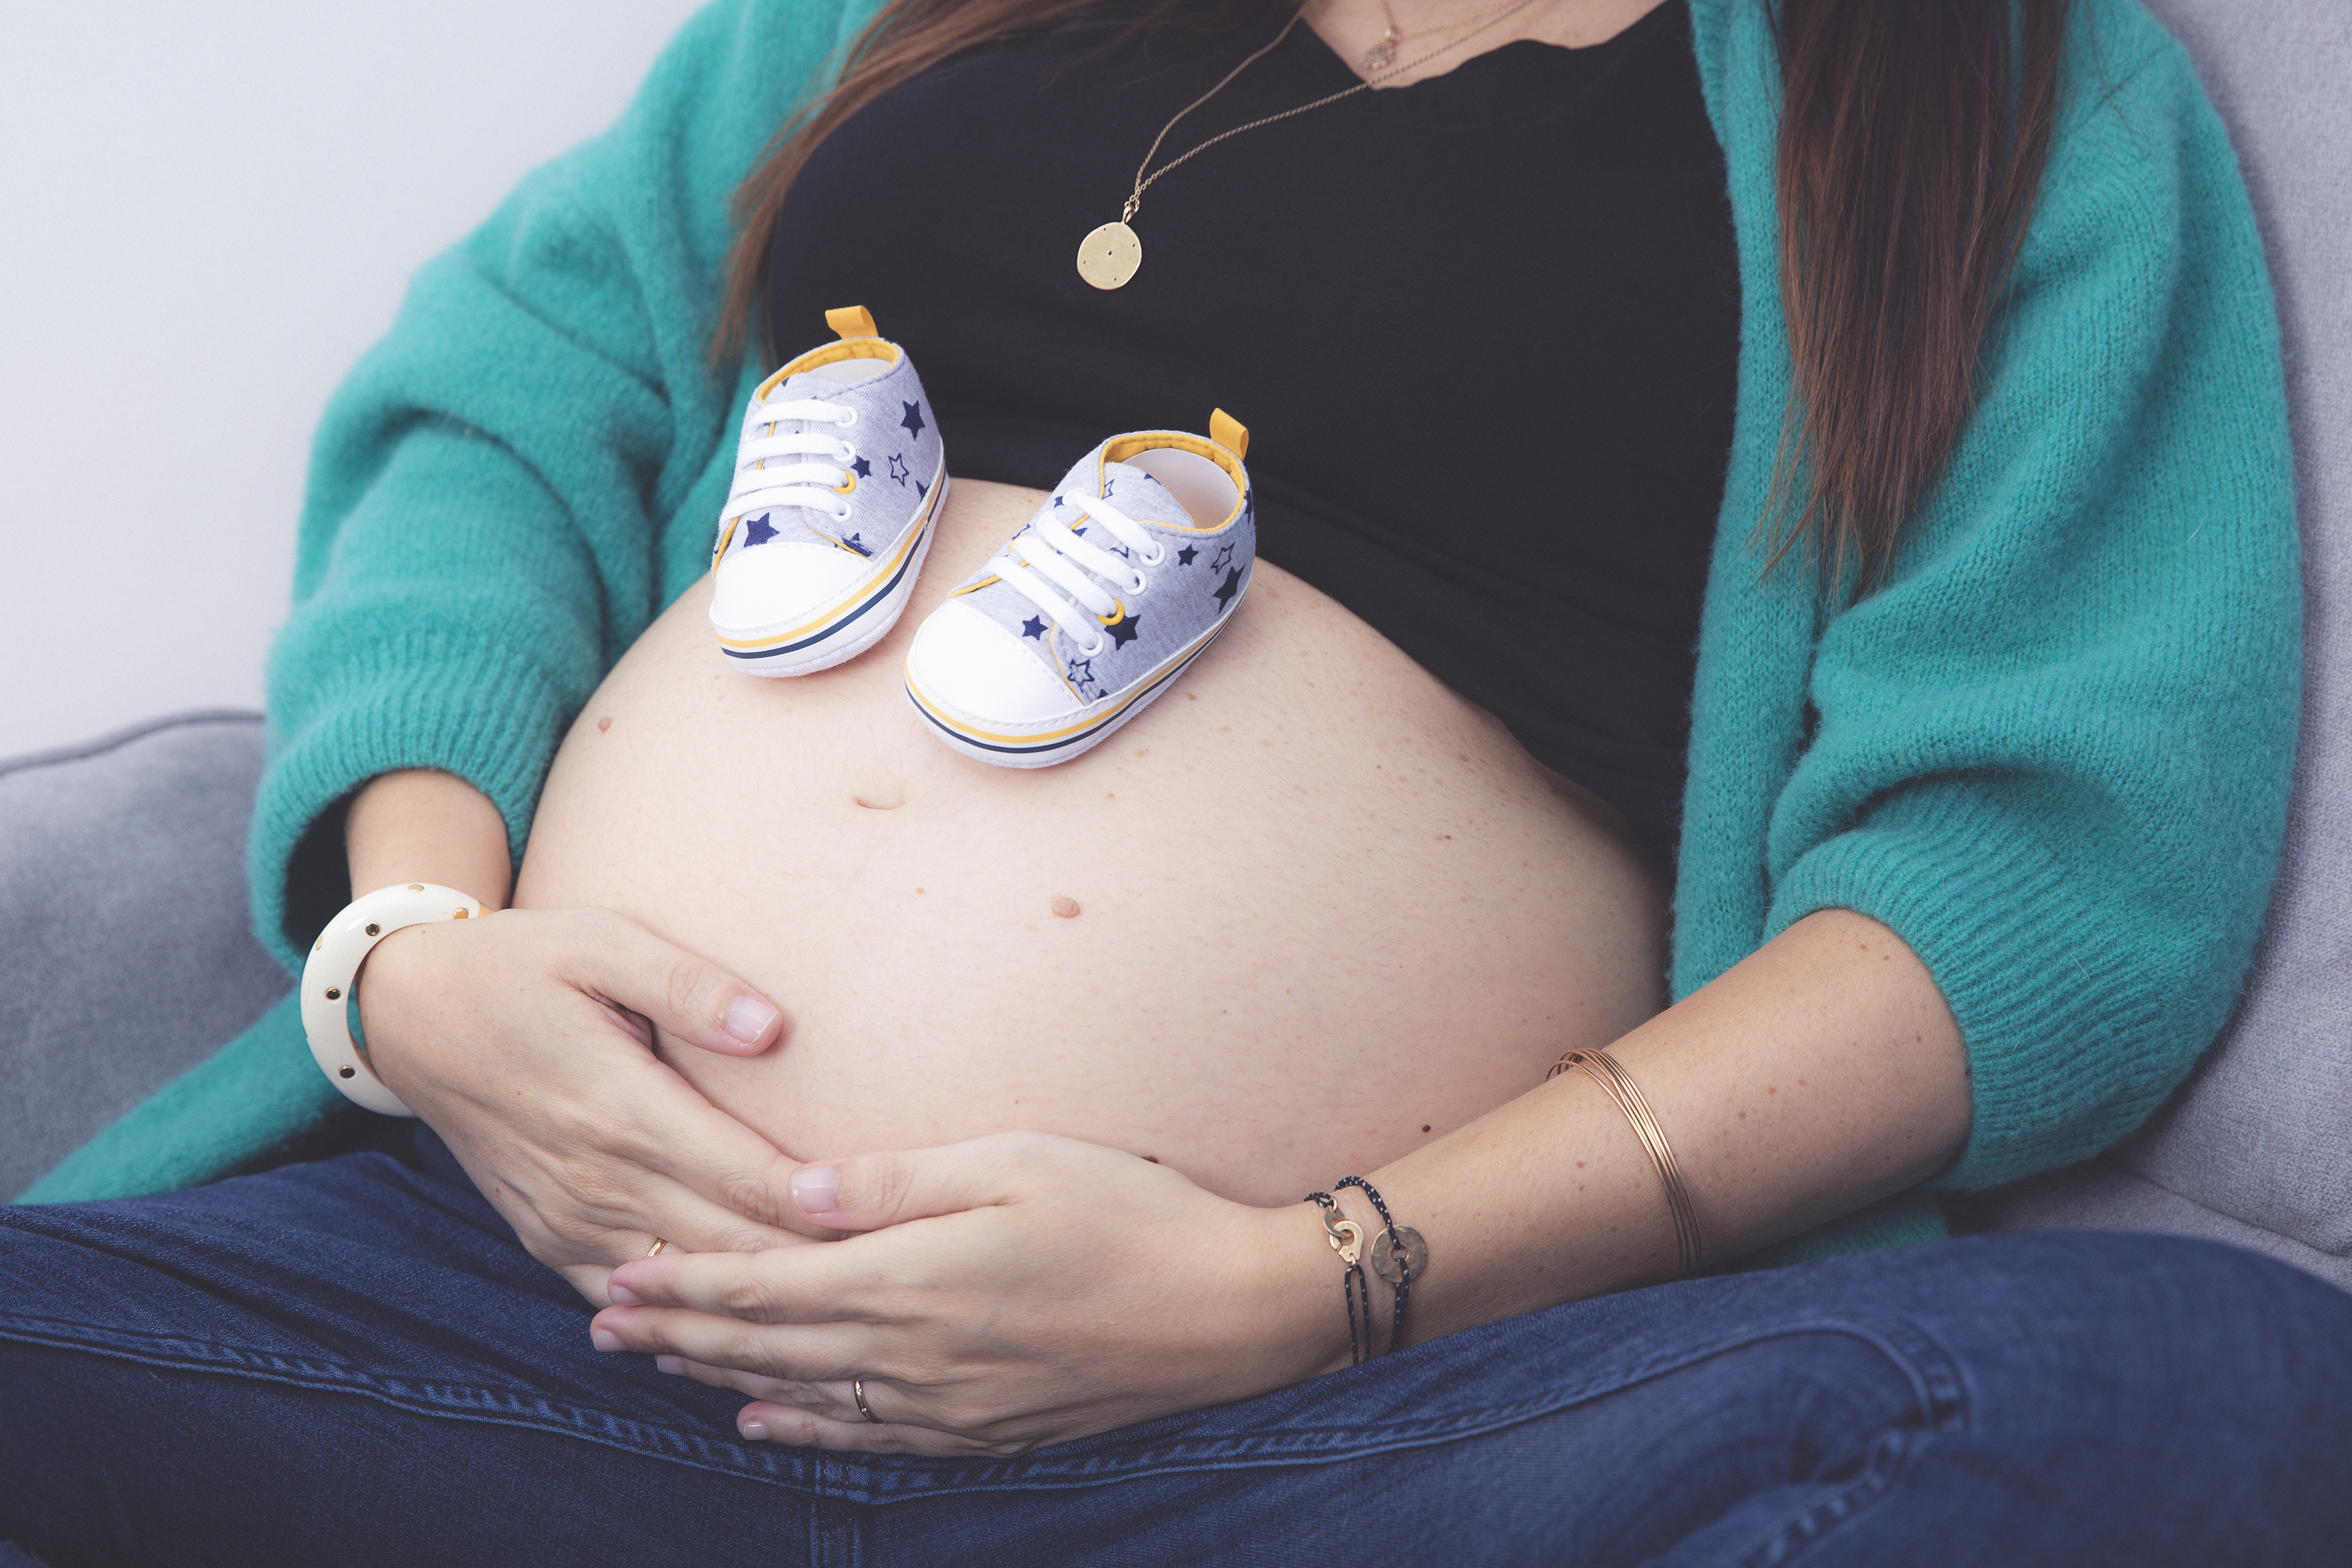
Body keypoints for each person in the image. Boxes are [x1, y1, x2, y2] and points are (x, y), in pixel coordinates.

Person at [7, 0, 2349, 1561]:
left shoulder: (1986, 91)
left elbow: (2033, 868)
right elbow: (509, 406)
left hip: (1308, 1434)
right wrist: (407, 966)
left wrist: (1306, 1286)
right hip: (523, 1300)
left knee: (2189, 1395)